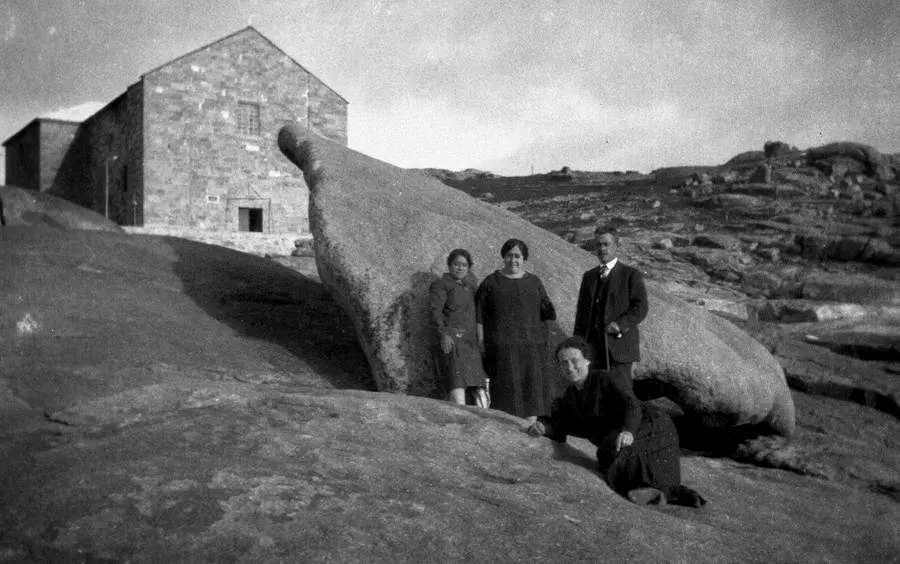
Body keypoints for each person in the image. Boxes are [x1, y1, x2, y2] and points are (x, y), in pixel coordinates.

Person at [526, 337, 705, 507]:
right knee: (607, 453)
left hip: (651, 424)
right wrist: (544, 427)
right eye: (563, 363)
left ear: (587, 360)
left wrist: (628, 431)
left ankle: (667, 492)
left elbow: (631, 405)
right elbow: (562, 425)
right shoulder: (570, 396)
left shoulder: (605, 378)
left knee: (617, 451)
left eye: (574, 361)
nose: (570, 367)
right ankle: (652, 492)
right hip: (625, 431)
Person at [475, 238, 557, 417]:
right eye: (509, 255)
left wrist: (544, 339)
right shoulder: (491, 282)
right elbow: (479, 315)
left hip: (532, 348)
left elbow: (547, 313)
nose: (513, 260)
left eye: (517, 256)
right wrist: (481, 342)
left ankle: (531, 425)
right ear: (503, 257)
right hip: (503, 348)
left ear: (524, 258)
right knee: (507, 394)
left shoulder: (534, 282)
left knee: (533, 392)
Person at [573, 225, 648, 380]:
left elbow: (641, 308)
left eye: (606, 244)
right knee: (595, 391)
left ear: (616, 246)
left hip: (619, 348)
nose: (602, 249)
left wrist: (620, 324)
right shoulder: (589, 276)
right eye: (598, 245)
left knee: (621, 391)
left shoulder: (631, 274)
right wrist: (577, 345)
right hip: (592, 349)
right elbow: (581, 314)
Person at [429, 249, 490, 407]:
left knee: (479, 386)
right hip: (452, 340)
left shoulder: (470, 288)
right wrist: (443, 334)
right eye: (456, 264)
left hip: (470, 343)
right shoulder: (441, 284)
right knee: (457, 384)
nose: (460, 268)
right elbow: (435, 312)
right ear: (449, 265)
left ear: (468, 268)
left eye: (464, 265)